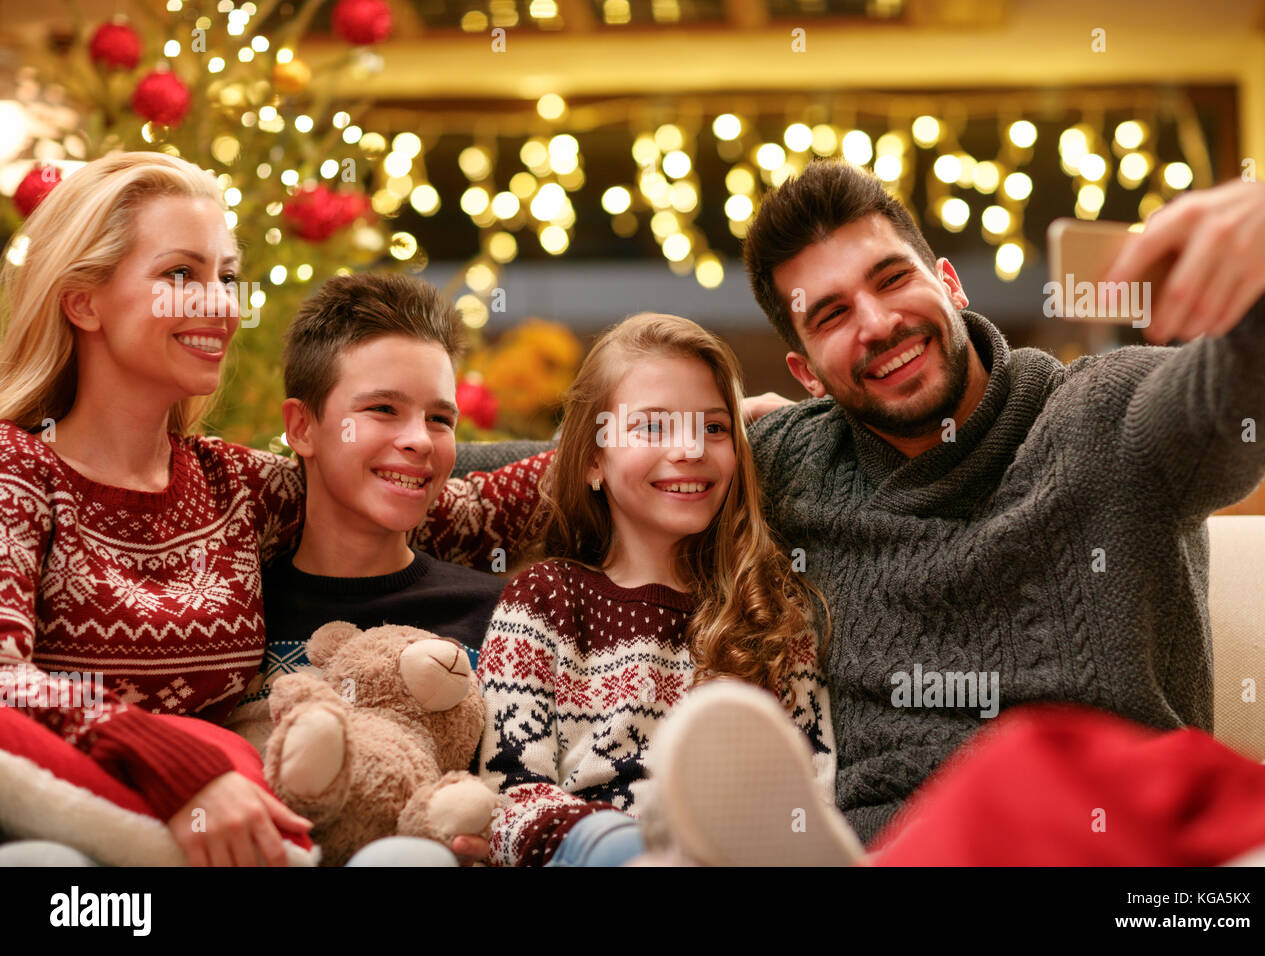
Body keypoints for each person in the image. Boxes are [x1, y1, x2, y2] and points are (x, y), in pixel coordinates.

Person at [453, 161, 1265, 847]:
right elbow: (561, 465)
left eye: (891, 279)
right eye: (829, 315)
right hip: (867, 851)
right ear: (805, 372)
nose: (877, 322)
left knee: (1022, 776)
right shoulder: (778, 465)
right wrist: (351, 467)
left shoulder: (1114, 422)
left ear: (949, 281)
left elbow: (1262, 382)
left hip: (1101, 842)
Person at [0, 152, 548, 866]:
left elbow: (461, 501)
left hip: (224, 838)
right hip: (64, 826)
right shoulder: (18, 469)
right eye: (180, 275)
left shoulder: (233, 486)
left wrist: (670, 422)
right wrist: (184, 765)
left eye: (226, 278)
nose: (221, 305)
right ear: (83, 302)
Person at [475, 313, 841, 866]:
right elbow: (509, 794)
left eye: (714, 428)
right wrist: (619, 842)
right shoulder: (544, 598)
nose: (691, 449)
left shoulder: (774, 612)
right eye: (654, 427)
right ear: (593, 460)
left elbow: (810, 799)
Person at [224, 272, 508, 866]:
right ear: (302, 427)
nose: (420, 441)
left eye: (440, 418)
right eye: (383, 409)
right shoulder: (230, 615)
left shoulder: (498, 612)